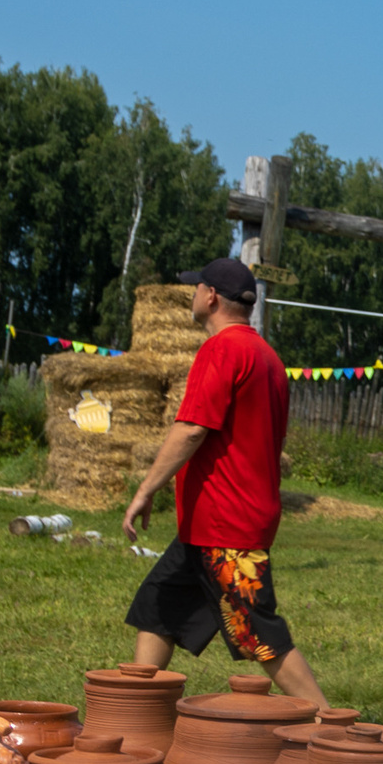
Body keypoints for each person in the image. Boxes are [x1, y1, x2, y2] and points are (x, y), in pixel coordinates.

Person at [123, 259, 327, 711]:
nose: (192, 294)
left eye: (195, 287)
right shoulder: (268, 358)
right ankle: (139, 714)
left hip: (227, 524)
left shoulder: (221, 350)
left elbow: (192, 428)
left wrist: (146, 489)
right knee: (157, 606)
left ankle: (333, 728)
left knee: (256, 632)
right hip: (210, 525)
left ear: (211, 296)